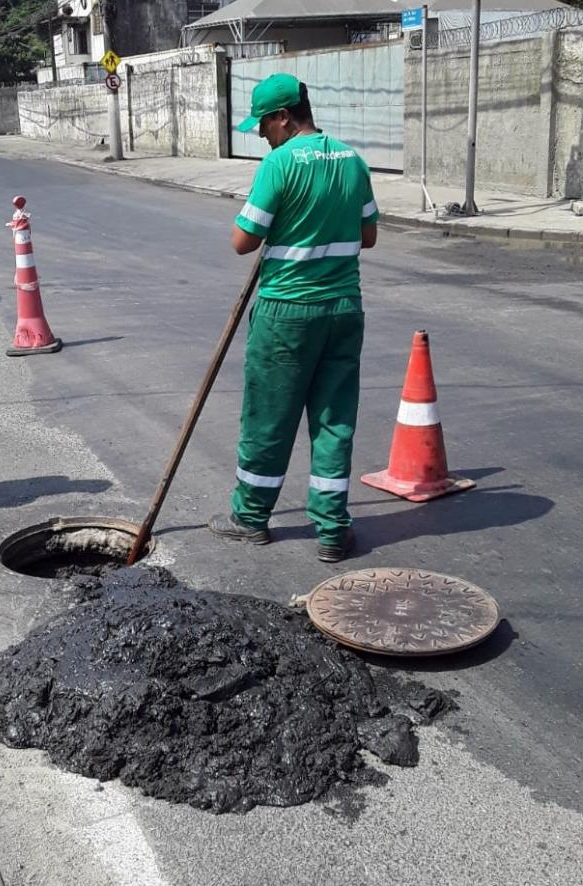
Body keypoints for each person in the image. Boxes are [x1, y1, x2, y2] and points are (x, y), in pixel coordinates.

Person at [208, 73, 378, 563]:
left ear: (284, 117)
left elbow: (243, 243)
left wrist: (286, 219)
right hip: (344, 309)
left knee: (269, 417)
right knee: (334, 420)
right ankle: (331, 529)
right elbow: (367, 237)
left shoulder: (278, 165)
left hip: (287, 311)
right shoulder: (352, 160)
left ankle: (251, 517)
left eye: (264, 123)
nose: (261, 134)